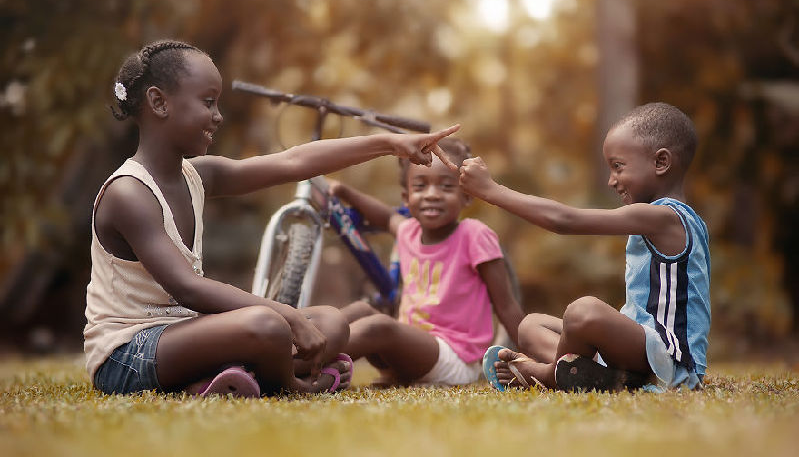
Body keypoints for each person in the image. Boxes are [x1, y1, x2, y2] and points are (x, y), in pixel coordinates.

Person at [84, 39, 459, 397]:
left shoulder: (197, 176)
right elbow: (189, 289)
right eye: (208, 102)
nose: (218, 116)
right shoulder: (128, 193)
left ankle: (224, 378)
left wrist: (389, 144)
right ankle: (291, 384)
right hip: (128, 354)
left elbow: (293, 162)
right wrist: (286, 315)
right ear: (158, 102)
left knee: (331, 321)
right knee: (267, 324)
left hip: (179, 332)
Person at [460, 103, 710, 392]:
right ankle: (602, 378)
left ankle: (548, 375)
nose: (611, 180)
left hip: (670, 362)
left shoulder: (665, 217)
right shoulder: (657, 217)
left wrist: (493, 191)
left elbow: (564, 220)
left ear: (661, 162)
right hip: (636, 352)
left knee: (582, 312)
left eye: (618, 167)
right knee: (530, 326)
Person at [328, 137, 525, 386]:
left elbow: (506, 306)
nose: (432, 195)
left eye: (446, 187)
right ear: (406, 198)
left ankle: (305, 364)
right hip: (404, 353)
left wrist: (529, 357)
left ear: (467, 196)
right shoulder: (408, 231)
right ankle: (299, 344)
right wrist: (347, 193)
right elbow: (384, 216)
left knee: (379, 326)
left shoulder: (474, 235)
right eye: (420, 187)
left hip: (453, 358)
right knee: (360, 311)